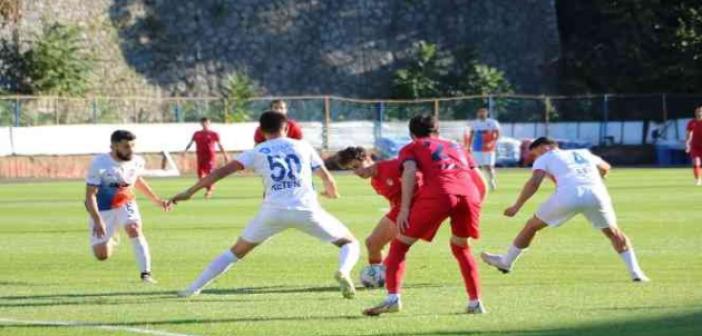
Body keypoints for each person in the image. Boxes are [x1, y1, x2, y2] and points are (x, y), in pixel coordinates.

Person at [171, 111, 360, 299]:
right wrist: (331, 192)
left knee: (234, 253)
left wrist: (189, 192)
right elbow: (326, 177)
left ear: (261, 131)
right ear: (286, 127)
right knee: (349, 243)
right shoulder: (303, 146)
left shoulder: (257, 151)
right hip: (307, 210)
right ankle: (343, 271)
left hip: (272, 212)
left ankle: (193, 288)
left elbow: (219, 173)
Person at [363, 114, 485, 316]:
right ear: (437, 131)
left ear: (411, 134)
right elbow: (480, 181)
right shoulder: (456, 146)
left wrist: (404, 209)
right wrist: (476, 204)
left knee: (399, 246)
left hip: (440, 193)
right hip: (470, 194)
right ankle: (476, 302)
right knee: (461, 248)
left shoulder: (411, 147)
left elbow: (409, 172)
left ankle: (393, 298)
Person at [480, 137, 649, 283]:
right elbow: (605, 167)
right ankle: (636, 273)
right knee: (613, 232)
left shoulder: (546, 156)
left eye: (535, 153)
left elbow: (534, 182)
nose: (535, 157)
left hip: (569, 195)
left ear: (545, 147)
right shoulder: (583, 152)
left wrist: (516, 206)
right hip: (597, 193)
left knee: (532, 226)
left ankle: (506, 262)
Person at [336, 147, 487, 270]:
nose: (357, 172)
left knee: (374, 243)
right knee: (375, 244)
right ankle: (379, 275)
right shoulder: (375, 182)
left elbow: (418, 174)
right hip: (403, 210)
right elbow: (394, 201)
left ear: (367, 158)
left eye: (357, 166)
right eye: (352, 170)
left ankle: (379, 275)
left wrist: (419, 204)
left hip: (421, 206)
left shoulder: (393, 166)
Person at [84, 130, 171, 283]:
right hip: (103, 208)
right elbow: (90, 195)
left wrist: (156, 200)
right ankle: (112, 237)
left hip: (125, 202)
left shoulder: (137, 161)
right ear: (114, 146)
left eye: (132, 146)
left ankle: (146, 274)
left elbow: (136, 180)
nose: (130, 150)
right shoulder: (99, 164)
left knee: (134, 228)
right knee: (102, 255)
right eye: (126, 147)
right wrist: (98, 220)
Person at [183, 117, 228, 198]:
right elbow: (190, 143)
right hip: (200, 156)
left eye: (206, 123)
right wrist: (185, 151)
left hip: (210, 156)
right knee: (200, 175)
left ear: (209, 123)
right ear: (201, 124)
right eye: (203, 123)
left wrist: (225, 154)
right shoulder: (196, 133)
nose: (205, 125)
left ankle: (210, 190)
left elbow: (220, 145)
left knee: (210, 173)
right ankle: (208, 187)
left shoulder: (214, 134)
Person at [465, 107, 500, 190]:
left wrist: (492, 143)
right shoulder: (474, 123)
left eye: (483, 112)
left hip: (489, 148)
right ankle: (480, 183)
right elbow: (471, 135)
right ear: (477, 113)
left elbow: (497, 134)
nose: (481, 114)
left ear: (486, 113)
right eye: (480, 112)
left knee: (488, 166)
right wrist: (469, 146)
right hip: (477, 147)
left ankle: (492, 181)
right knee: (478, 166)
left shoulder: (492, 122)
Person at [685, 106, 702, 186]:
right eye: (698, 111)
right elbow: (688, 134)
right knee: (696, 162)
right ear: (695, 113)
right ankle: (698, 180)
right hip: (695, 147)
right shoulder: (691, 122)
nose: (699, 113)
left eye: (701, 111)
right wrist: (687, 144)